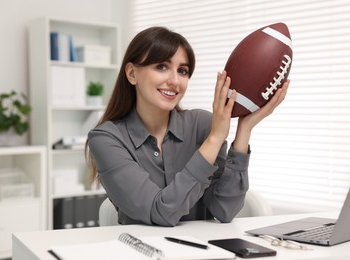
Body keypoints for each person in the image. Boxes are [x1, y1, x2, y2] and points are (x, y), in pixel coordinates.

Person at [86, 26, 288, 227]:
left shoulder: (202, 125)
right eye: (162, 67)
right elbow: (161, 212)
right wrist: (214, 139)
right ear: (132, 73)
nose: (175, 81)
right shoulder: (106, 139)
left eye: (183, 71)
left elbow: (224, 210)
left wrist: (245, 129)